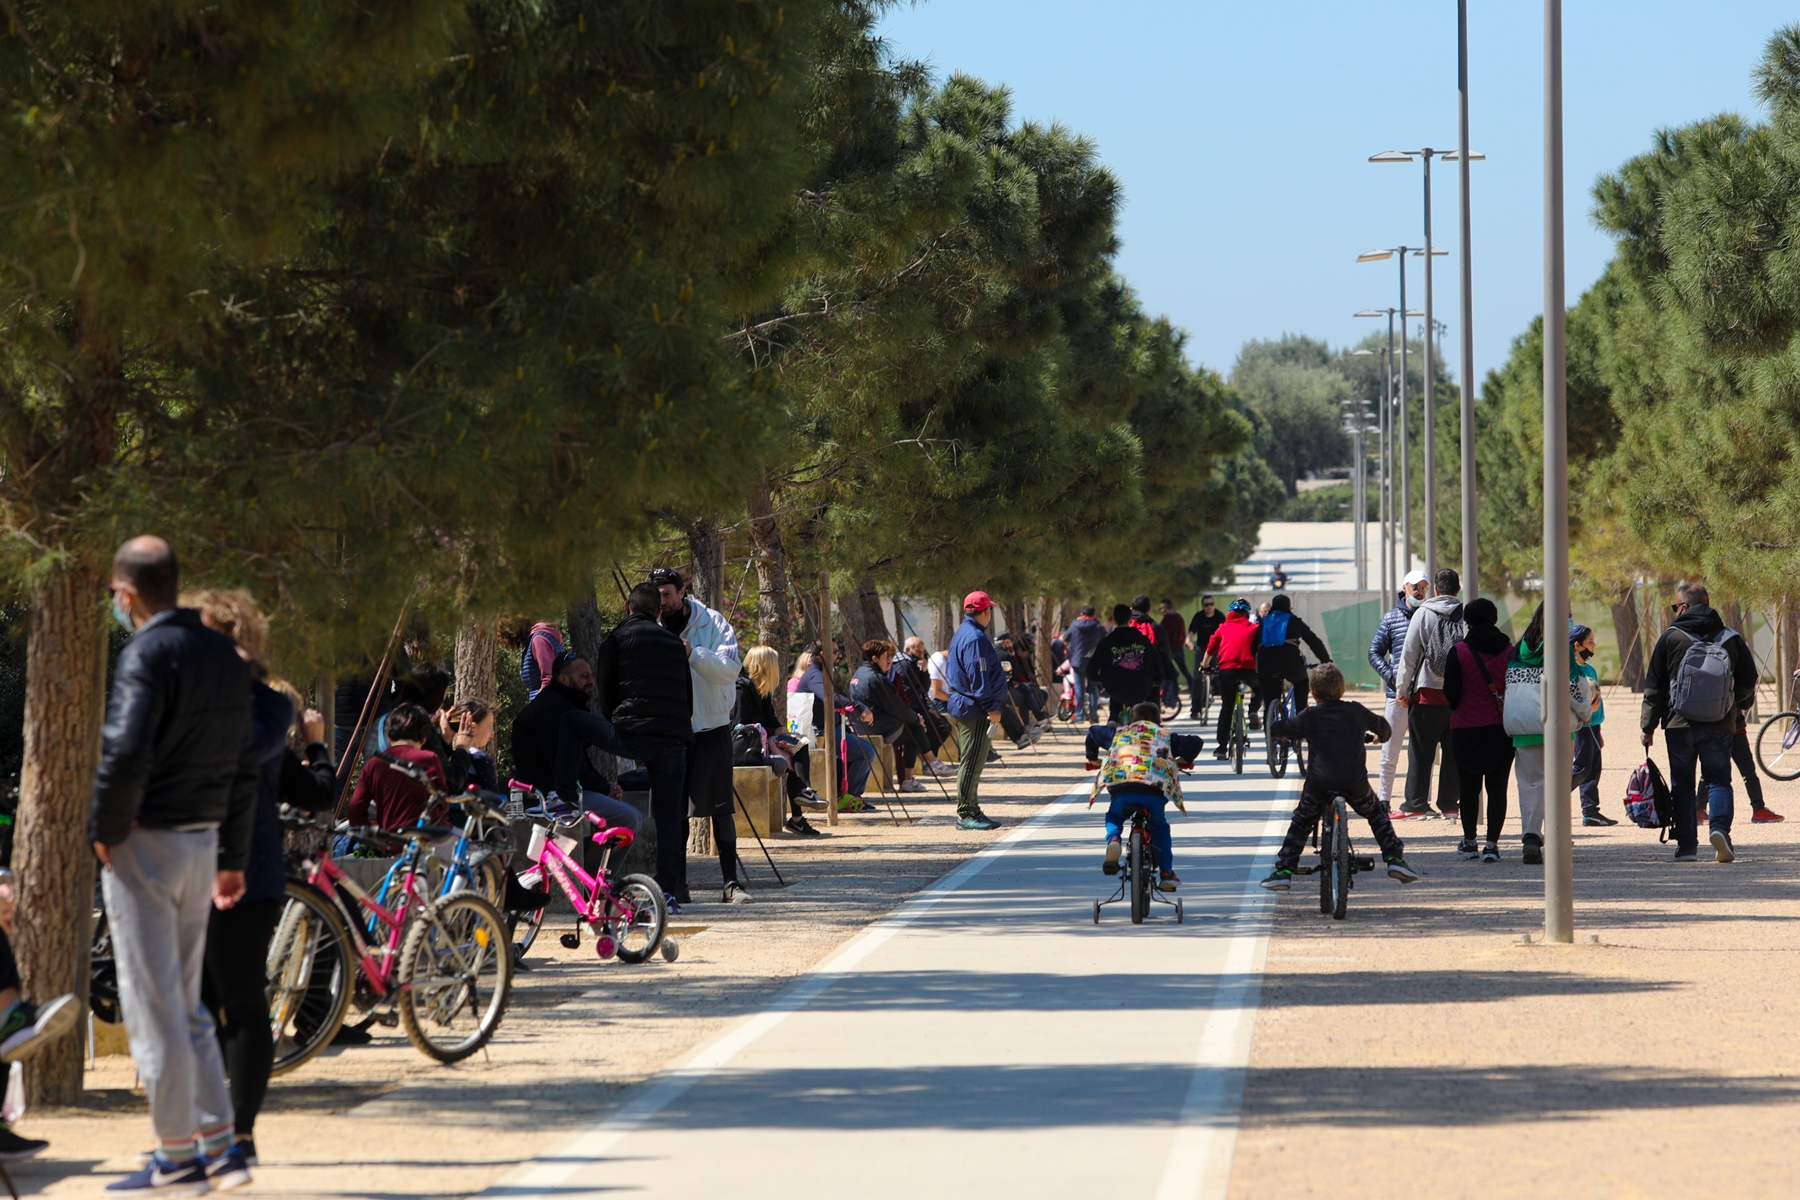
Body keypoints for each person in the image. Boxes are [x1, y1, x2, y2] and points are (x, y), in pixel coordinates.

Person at [91, 536, 259, 1194]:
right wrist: (233, 857)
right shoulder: (222, 654)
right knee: (185, 1003)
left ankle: (176, 1156)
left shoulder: (145, 653)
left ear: (127, 593)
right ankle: (220, 1142)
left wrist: (105, 831)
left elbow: (125, 751)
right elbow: (246, 768)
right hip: (203, 842)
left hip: (147, 844)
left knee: (151, 1007)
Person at [186, 590, 332, 1170]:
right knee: (201, 1003)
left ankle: (237, 1136)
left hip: (243, 871)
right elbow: (316, 789)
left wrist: (314, 742)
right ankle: (213, 1127)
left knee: (237, 1000)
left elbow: (261, 766)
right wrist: (317, 746)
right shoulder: (210, 701)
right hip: (196, 867)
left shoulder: (262, 710)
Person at [1259, 664, 1421, 890]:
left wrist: (1282, 732)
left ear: (1313, 693)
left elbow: (1279, 729)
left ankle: (1284, 870)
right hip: (1354, 782)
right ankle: (1394, 858)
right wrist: (1377, 737)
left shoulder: (1309, 715)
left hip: (1319, 782)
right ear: (1342, 690)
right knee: (1375, 813)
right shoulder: (1356, 711)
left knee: (1302, 820)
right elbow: (1384, 728)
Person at [593, 582, 694, 909]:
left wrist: (615, 725)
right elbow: (688, 698)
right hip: (671, 737)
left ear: (627, 607)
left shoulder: (615, 640)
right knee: (669, 815)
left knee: (575, 726)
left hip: (630, 733)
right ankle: (668, 892)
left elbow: (605, 694)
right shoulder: (676, 644)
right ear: (659, 610)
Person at [1641, 582, 1757, 863]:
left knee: (1682, 783)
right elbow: (1747, 680)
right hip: (1719, 724)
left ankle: (1687, 847)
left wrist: (1648, 726)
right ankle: (1720, 831)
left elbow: (1655, 686)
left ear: (1683, 607)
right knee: (1718, 779)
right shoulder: (1730, 638)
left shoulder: (1671, 638)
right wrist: (1737, 706)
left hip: (1679, 724)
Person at [655, 568, 752, 905]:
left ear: (683, 592)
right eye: (658, 595)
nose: (662, 601)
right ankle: (677, 885)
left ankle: (731, 884)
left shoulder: (712, 623)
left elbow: (730, 669)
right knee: (674, 813)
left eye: (667, 593)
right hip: (671, 732)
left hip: (711, 728)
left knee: (721, 809)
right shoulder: (649, 626)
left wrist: (693, 654)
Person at [509, 651, 642, 834]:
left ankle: (595, 864)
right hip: (549, 799)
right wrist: (604, 789)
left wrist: (605, 787)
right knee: (628, 818)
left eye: (591, 676)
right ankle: (599, 865)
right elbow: (567, 763)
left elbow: (578, 759)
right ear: (563, 679)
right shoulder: (552, 711)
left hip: (566, 793)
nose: (591, 682)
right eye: (584, 677)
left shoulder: (562, 704)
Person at [1442, 598, 1515, 860]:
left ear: (1468, 621)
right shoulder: (1509, 650)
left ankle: (1470, 841)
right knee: (1498, 788)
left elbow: (1450, 691)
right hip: (1500, 728)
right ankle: (1493, 845)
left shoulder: (1459, 651)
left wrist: (1463, 706)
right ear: (1494, 619)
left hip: (1466, 728)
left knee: (1468, 787)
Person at [1089, 701, 1187, 892]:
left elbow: (1093, 732)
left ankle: (1114, 840)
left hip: (1122, 790)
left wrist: (1092, 757)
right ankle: (1166, 873)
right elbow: (1195, 742)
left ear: (1131, 720)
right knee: (1159, 828)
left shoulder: (1118, 733)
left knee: (1114, 816)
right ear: (1159, 720)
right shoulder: (1164, 735)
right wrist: (1184, 760)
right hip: (1152, 792)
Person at [1393, 568, 1465, 819]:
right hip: (1457, 698)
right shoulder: (1464, 614)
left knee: (1420, 751)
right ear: (1458, 589)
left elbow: (1409, 655)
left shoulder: (1423, 614)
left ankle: (1416, 804)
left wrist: (1401, 690)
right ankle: (1449, 805)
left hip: (1426, 694)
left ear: (1435, 589)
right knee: (1454, 753)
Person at [735, 646, 826, 835]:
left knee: (800, 743)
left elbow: (769, 716)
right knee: (792, 757)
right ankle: (800, 810)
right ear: (765, 665)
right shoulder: (741, 689)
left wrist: (780, 729)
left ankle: (802, 803)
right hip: (747, 745)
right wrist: (773, 731)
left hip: (764, 738)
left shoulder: (762, 688)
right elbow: (741, 725)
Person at [944, 591, 1007, 831]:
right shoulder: (975, 638)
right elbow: (977, 676)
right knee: (971, 763)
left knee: (971, 761)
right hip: (975, 709)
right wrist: (991, 707)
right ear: (985, 612)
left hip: (967, 705)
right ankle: (966, 812)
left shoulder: (964, 632)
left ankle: (972, 808)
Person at [1368, 571, 1428, 810]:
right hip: (1397, 696)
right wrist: (1392, 678)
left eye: (1424, 587)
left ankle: (1421, 801)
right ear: (1405, 588)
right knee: (1389, 750)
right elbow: (1374, 652)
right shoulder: (1391, 618)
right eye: (1416, 587)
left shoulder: (1428, 617)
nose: (1420, 592)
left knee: (1424, 752)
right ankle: (1384, 799)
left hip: (1424, 695)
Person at [797, 643, 881, 809]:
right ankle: (849, 798)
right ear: (822, 654)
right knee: (866, 753)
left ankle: (849, 796)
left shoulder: (821, 673)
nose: (839, 655)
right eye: (835, 652)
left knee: (863, 751)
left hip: (831, 728)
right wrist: (859, 706)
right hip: (821, 732)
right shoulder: (815, 675)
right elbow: (830, 697)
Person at [346, 704, 449, 832]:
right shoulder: (430, 758)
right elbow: (443, 802)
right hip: (429, 836)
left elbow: (355, 810)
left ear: (390, 736)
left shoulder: (373, 764)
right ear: (424, 739)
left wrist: (374, 838)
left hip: (392, 840)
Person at [853, 640, 933, 793]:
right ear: (875, 659)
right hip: (875, 725)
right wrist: (915, 718)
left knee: (917, 725)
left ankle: (928, 765)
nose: (890, 660)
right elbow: (896, 707)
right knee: (914, 730)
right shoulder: (877, 678)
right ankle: (927, 765)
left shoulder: (860, 673)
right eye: (886, 656)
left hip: (866, 723)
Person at [1254, 594, 1332, 726]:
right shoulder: (1294, 620)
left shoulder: (1264, 622)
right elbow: (1313, 641)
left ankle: (1270, 728)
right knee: (1301, 682)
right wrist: (1325, 660)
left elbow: (1253, 645)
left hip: (1265, 662)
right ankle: (1300, 718)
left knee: (1269, 696)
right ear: (1289, 607)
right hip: (1289, 661)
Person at [1569, 626, 1616, 826]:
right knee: (1581, 767)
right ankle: (1554, 796)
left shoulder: (1590, 668)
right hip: (1581, 727)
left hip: (1594, 726)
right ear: (1577, 645)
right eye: (1589, 641)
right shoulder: (1572, 669)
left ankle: (1590, 811)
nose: (1593, 645)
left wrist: (1599, 730)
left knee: (1594, 768)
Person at [1084, 604, 1164, 723]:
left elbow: (1091, 669)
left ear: (1114, 621)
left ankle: (1113, 719)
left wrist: (1103, 679)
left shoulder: (1108, 642)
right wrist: (1157, 681)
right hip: (1141, 689)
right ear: (1131, 619)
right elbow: (1157, 663)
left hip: (1116, 688)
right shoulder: (1143, 640)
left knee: (1117, 687)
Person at [890, 638, 955, 776]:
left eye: (922, 651)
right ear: (908, 650)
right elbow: (909, 693)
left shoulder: (914, 663)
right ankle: (929, 762)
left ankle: (930, 761)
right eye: (918, 651)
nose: (921, 653)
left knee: (943, 726)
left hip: (919, 705)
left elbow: (923, 689)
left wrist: (925, 671)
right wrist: (924, 710)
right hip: (911, 708)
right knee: (939, 727)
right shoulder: (904, 665)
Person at [1203, 599, 1259, 758]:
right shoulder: (1254, 628)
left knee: (1227, 707)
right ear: (1246, 614)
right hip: (1249, 670)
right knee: (1258, 687)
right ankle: (1253, 710)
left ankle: (1221, 747)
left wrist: (1205, 665)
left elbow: (1211, 648)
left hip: (1227, 671)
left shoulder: (1222, 628)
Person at [445, 698, 500, 793]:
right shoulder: (482, 760)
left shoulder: (446, 757)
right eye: (489, 725)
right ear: (472, 726)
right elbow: (493, 800)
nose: (492, 731)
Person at [1188, 595, 1224, 719]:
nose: (1209, 607)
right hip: (1202, 649)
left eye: (1211, 604)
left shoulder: (1220, 616)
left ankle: (1217, 692)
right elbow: (1191, 632)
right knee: (1197, 678)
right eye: (1206, 605)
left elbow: (1226, 631)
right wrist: (1189, 642)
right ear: (1203, 606)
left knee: (1221, 671)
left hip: (1216, 649)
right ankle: (1195, 709)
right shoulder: (1198, 617)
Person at [1159, 600, 1192, 694]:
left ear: (1165, 608)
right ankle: (1193, 687)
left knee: (1167, 669)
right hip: (1179, 647)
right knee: (1184, 669)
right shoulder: (1179, 617)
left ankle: (1173, 691)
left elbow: (1164, 634)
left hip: (1170, 648)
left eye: (1162, 608)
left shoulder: (1167, 619)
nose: (1161, 610)